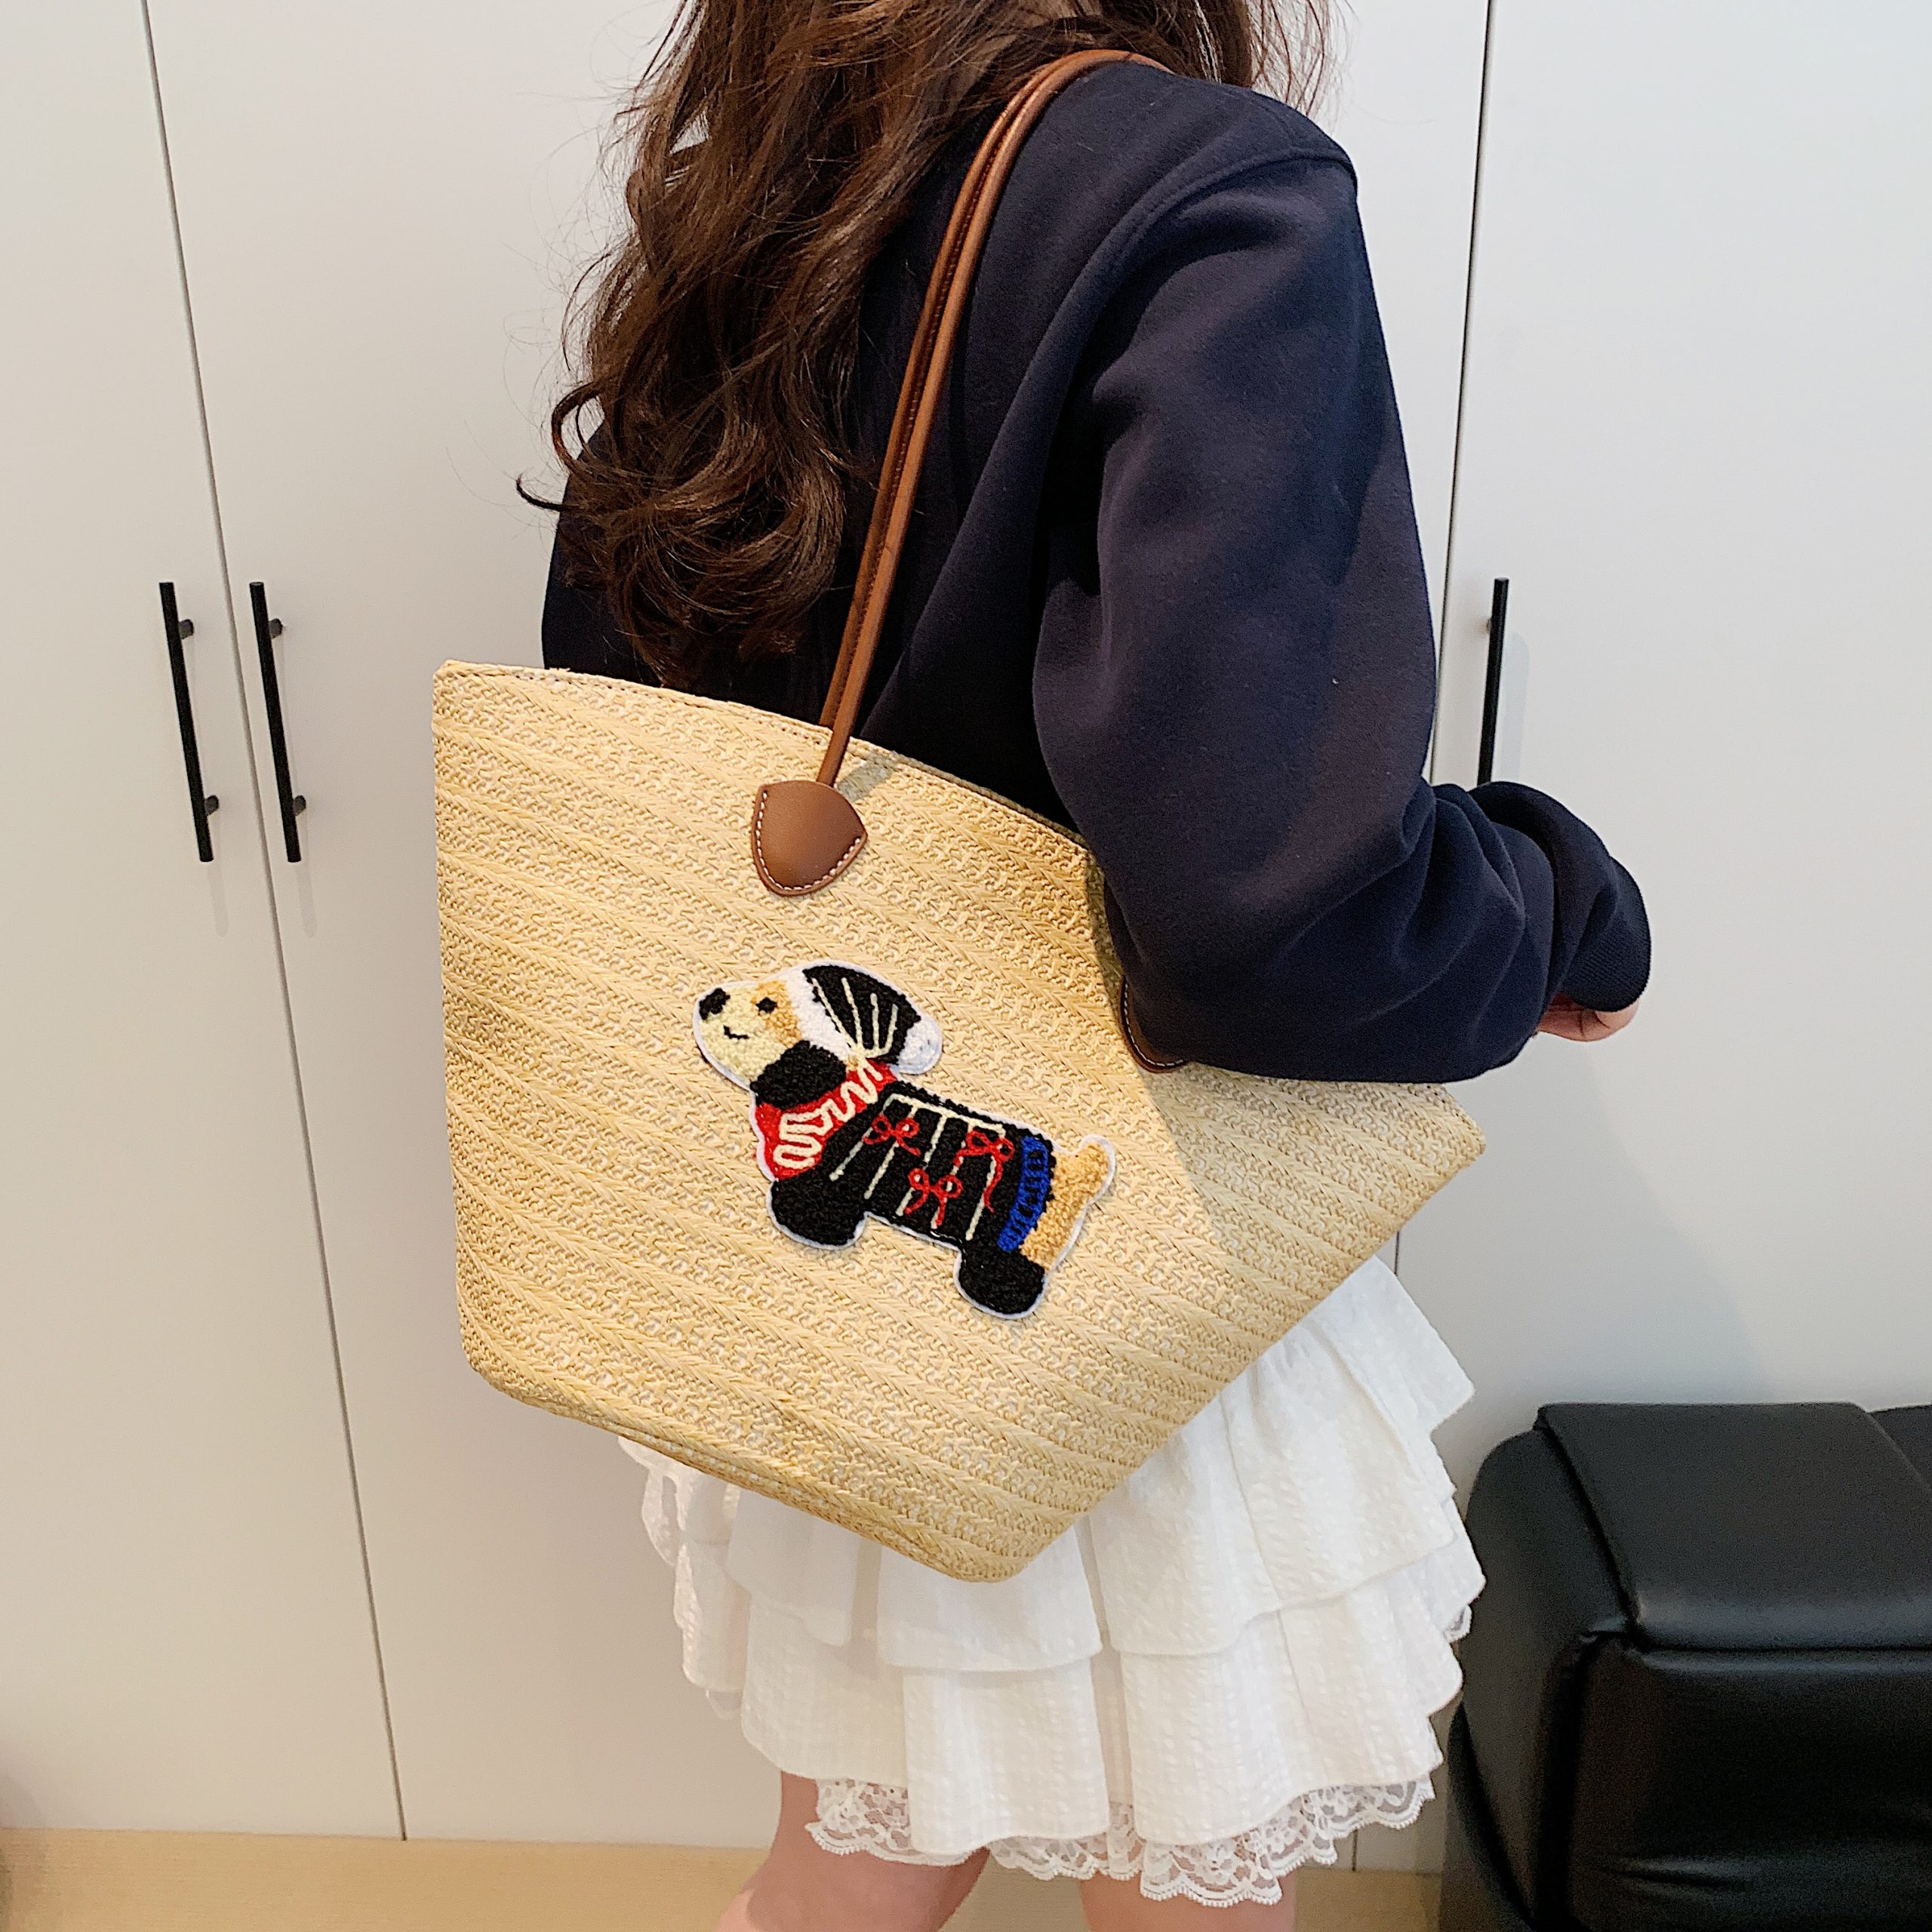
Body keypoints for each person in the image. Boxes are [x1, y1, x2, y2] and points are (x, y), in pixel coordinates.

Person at [538, 3, 1648, 1924]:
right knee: (1162, 1874)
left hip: (833, 1252)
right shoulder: (1204, 191)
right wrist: (1551, 904)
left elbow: (622, 738)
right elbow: (1261, 905)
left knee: (850, 1858)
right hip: (1124, 1251)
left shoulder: (755, 200)